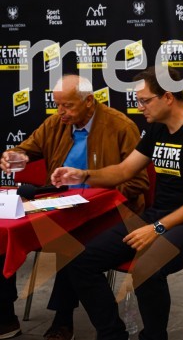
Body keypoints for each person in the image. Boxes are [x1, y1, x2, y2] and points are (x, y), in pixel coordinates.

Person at [51, 66, 183, 340]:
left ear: (168, 97)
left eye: (144, 100)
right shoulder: (158, 129)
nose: (139, 106)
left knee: (147, 267)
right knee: (80, 260)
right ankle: (112, 334)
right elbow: (123, 171)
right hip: (159, 216)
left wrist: (156, 228)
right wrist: (84, 174)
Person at [0, 75, 147, 340]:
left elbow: (138, 182)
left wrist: (99, 198)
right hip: (58, 204)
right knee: (4, 232)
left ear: (89, 101)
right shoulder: (57, 123)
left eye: (67, 106)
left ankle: (63, 318)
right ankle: (5, 316)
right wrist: (16, 157)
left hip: (108, 211)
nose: (61, 112)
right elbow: (27, 149)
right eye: (57, 105)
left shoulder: (120, 126)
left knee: (72, 238)